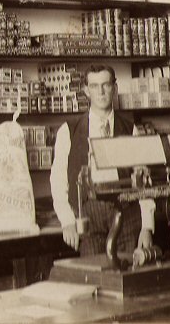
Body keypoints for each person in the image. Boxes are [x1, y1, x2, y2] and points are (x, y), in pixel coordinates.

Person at [50, 64, 155, 256]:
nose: (100, 91)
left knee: (129, 274)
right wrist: (67, 222)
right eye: (94, 86)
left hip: (126, 214)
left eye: (106, 85)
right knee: (94, 274)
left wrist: (147, 226)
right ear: (86, 90)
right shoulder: (69, 131)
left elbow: (143, 181)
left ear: (115, 88)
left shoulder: (130, 129)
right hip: (88, 215)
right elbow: (58, 182)